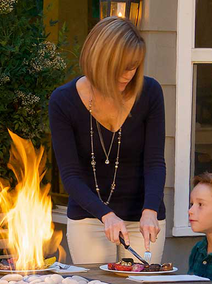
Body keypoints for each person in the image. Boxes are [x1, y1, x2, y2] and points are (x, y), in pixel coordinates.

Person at [49, 17, 166, 265]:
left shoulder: (150, 92)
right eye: (121, 68)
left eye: (134, 66)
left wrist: (150, 210)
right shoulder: (63, 101)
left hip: (143, 218)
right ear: (99, 61)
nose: (128, 75)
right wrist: (107, 215)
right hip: (89, 219)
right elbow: (70, 175)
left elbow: (154, 162)